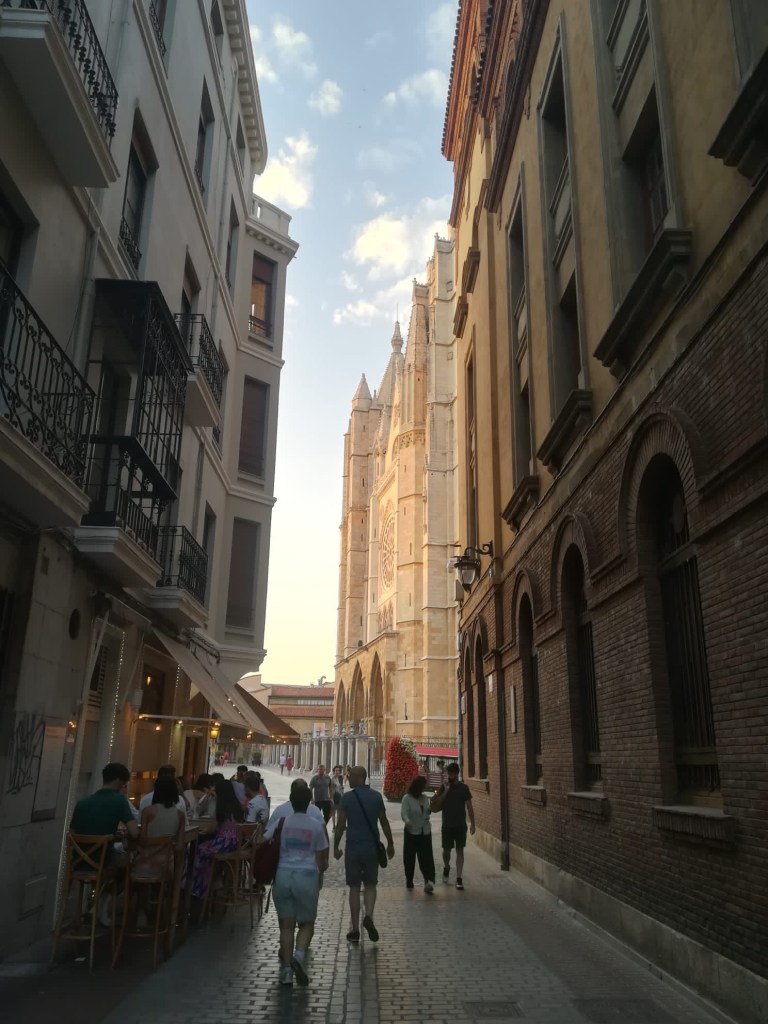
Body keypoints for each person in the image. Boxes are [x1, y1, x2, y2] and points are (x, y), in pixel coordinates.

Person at [265, 783, 328, 986]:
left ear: (291, 801)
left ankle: (285, 973)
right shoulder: (316, 825)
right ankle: (298, 957)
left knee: (286, 926)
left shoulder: (281, 822)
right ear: (309, 802)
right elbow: (322, 859)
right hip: (306, 876)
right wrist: (320, 875)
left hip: (283, 875)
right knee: (307, 923)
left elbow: (263, 840)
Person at [69, 763, 139, 925]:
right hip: (104, 861)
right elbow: (134, 832)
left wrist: (108, 836)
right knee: (131, 866)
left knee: (113, 864)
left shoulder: (82, 802)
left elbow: (72, 833)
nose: (123, 787)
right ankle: (101, 905)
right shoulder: (119, 800)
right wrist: (115, 837)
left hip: (78, 862)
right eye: (124, 783)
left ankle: (94, 904)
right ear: (118, 780)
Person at [333, 765, 394, 943]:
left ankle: (354, 929)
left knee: (354, 887)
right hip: (371, 848)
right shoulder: (376, 797)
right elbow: (384, 822)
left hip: (353, 848)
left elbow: (341, 825)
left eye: (351, 775)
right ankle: (368, 916)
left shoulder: (347, 798)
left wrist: (335, 847)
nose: (349, 778)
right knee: (370, 884)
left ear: (360, 777)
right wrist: (390, 843)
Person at [187, 778, 244, 899]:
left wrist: (204, 830)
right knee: (205, 852)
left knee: (199, 851)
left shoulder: (222, 808)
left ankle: (200, 886)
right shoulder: (236, 806)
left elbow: (213, 828)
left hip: (223, 842)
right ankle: (213, 881)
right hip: (234, 843)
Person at [430, 762, 475, 890]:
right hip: (447, 825)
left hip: (460, 825)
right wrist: (445, 791)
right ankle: (446, 867)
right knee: (446, 851)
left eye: (451, 773)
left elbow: (469, 806)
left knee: (460, 850)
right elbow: (433, 802)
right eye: (448, 773)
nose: (449, 776)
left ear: (456, 774)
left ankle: (459, 878)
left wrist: (473, 823)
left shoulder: (464, 788)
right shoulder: (443, 787)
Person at [401, 775, 435, 893]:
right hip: (411, 831)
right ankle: (409, 880)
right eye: (423, 786)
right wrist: (407, 821)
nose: (424, 788)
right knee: (409, 858)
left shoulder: (425, 798)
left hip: (425, 831)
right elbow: (404, 813)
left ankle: (428, 881)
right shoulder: (407, 798)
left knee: (426, 857)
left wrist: (429, 810)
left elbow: (426, 811)